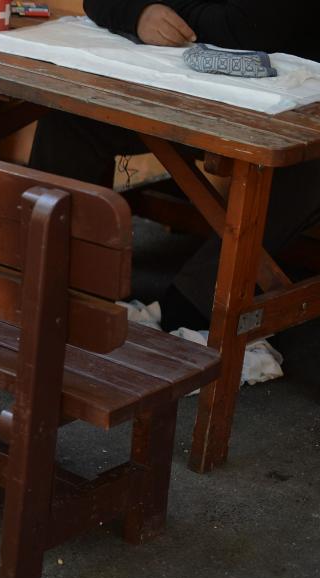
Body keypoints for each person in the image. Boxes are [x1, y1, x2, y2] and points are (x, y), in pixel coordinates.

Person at [28, 0, 320, 331]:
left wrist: (170, 11)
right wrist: (139, 13)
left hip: (293, 105)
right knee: (73, 120)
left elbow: (244, 28)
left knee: (301, 167)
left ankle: (187, 311)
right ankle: (43, 271)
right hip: (192, 87)